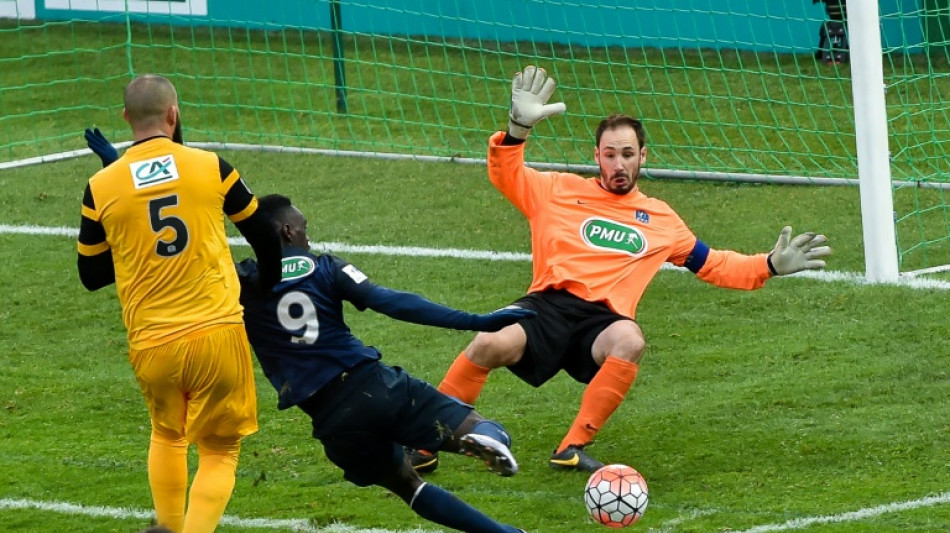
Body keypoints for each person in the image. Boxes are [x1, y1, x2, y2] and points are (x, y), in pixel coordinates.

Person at [408, 65, 832, 474]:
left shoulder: (661, 218)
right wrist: (518, 129)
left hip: (602, 322)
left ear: (642, 156)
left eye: (627, 154)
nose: (618, 164)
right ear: (596, 156)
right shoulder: (556, 190)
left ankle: (571, 448)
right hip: (546, 307)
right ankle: (426, 442)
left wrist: (769, 265)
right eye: (609, 154)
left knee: (630, 339)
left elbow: (713, 264)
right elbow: (506, 173)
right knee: (487, 342)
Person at [235, 194, 534, 533]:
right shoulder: (327, 267)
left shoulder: (240, 281)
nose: (308, 237)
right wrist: (473, 321)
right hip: (372, 387)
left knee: (409, 486)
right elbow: (391, 302)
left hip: (332, 423)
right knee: (477, 423)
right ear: (288, 232)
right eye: (304, 230)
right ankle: (489, 439)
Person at [78, 74, 282, 532]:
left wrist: (132, 243)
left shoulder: (100, 186)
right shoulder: (212, 166)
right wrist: (265, 287)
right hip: (217, 332)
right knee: (220, 449)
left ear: (126, 118)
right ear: (174, 114)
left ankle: (167, 527)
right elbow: (265, 235)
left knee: (167, 436)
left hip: (152, 342)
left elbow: (90, 276)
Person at [814, 0, 848, 64]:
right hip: (846, 21)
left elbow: (815, 1)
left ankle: (820, 53)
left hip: (833, 22)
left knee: (823, 28)